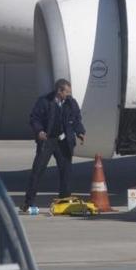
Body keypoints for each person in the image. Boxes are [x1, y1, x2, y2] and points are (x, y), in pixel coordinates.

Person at [20, 79, 86, 213]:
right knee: (38, 170)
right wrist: (39, 131)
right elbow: (34, 118)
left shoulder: (70, 103)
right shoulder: (44, 101)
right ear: (59, 91)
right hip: (48, 140)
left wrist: (80, 132)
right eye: (66, 92)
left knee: (66, 170)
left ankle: (64, 199)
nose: (69, 94)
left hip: (64, 140)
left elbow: (76, 119)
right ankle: (29, 202)